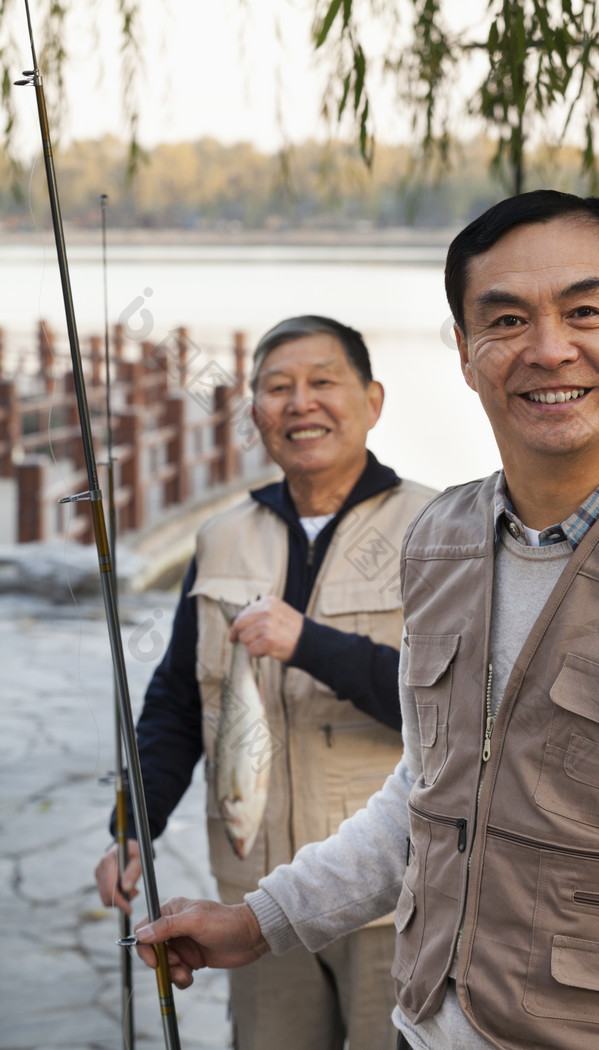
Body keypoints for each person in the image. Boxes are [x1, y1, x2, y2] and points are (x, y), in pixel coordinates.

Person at [135, 191, 599, 1050]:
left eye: (586, 310)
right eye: (505, 321)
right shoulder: (444, 541)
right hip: (422, 1025)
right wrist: (259, 922)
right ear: (469, 356)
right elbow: (427, 795)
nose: (550, 348)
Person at [95, 314, 436, 1050]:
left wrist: (307, 642)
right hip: (255, 900)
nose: (300, 403)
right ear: (254, 414)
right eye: (277, 388)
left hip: (394, 899)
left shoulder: (439, 530)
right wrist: (134, 828)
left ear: (372, 400)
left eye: (323, 383)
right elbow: (177, 703)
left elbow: (455, 710)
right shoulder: (222, 535)